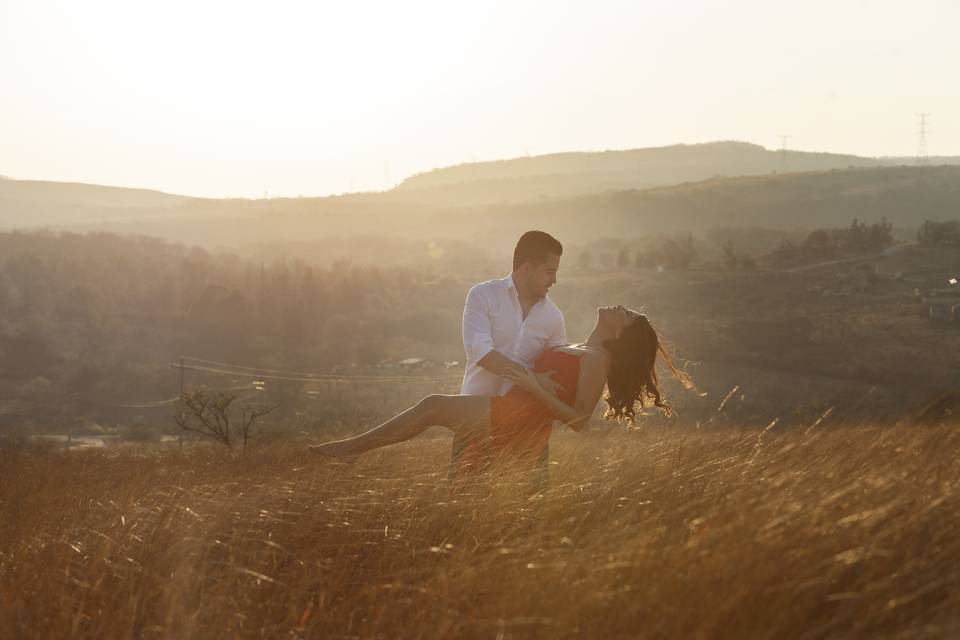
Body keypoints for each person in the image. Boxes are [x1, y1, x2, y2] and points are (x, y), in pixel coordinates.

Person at [309, 305, 677, 477]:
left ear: (621, 333)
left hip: (517, 419)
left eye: (626, 315)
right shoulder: (579, 346)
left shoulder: (597, 359)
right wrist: (534, 378)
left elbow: (580, 420)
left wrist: (536, 386)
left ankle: (350, 450)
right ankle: (351, 451)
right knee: (466, 493)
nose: (621, 308)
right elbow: (542, 378)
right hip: (508, 409)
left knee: (433, 406)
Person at [453, 230, 567, 477]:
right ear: (526, 269)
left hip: (528, 427)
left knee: (532, 508)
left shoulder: (554, 318)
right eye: (550, 271)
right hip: (474, 423)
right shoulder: (482, 296)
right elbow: (482, 354)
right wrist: (533, 379)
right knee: (460, 506)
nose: (554, 280)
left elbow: (556, 374)